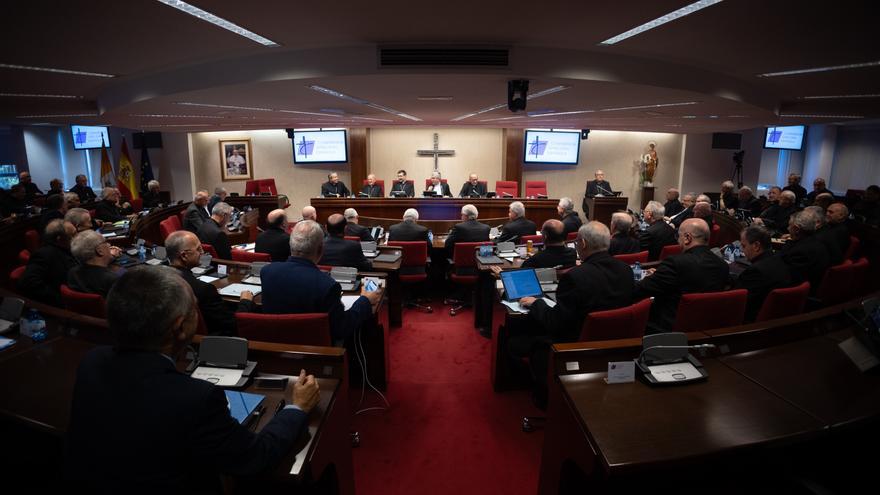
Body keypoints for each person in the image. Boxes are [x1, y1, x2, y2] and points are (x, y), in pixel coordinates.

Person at [64, 266, 319, 492]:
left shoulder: (91, 361)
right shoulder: (197, 398)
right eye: (193, 309)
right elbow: (257, 456)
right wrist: (297, 407)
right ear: (180, 327)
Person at [512, 222, 634, 407]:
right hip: (617, 344)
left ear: (582, 244)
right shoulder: (626, 270)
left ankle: (545, 397)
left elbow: (555, 323)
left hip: (574, 345)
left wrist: (537, 303)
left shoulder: (576, 277)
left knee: (516, 341)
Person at [261, 220, 382, 343]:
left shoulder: (266, 272)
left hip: (274, 346)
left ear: (291, 245)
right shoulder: (327, 285)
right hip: (316, 351)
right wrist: (365, 300)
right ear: (320, 250)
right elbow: (341, 328)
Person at [634, 218, 729, 333]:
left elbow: (641, 290)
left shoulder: (675, 263)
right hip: (705, 327)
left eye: (678, 237)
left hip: (666, 329)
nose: (678, 241)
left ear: (687, 238)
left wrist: (650, 277)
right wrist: (660, 275)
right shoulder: (723, 265)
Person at [166, 231, 254, 336]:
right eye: (198, 249)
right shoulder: (204, 289)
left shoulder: (160, 278)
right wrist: (245, 301)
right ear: (184, 256)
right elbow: (232, 324)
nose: (202, 252)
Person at [734, 225, 792, 322]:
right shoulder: (778, 259)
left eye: (744, 246)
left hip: (752, 322)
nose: (742, 250)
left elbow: (736, 300)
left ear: (756, 246)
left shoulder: (756, 271)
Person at [18, 219, 77, 306]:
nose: (77, 237)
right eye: (73, 235)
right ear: (59, 239)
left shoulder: (66, 248)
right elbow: (29, 283)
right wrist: (61, 299)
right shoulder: (43, 255)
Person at [780, 209, 830, 292]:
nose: (788, 228)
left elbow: (784, 271)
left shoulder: (801, 251)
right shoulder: (815, 241)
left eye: (789, 225)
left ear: (797, 229)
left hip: (796, 291)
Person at [67, 229, 121, 298]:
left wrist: (111, 257)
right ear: (99, 251)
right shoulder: (112, 280)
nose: (109, 245)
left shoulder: (72, 273)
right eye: (105, 242)